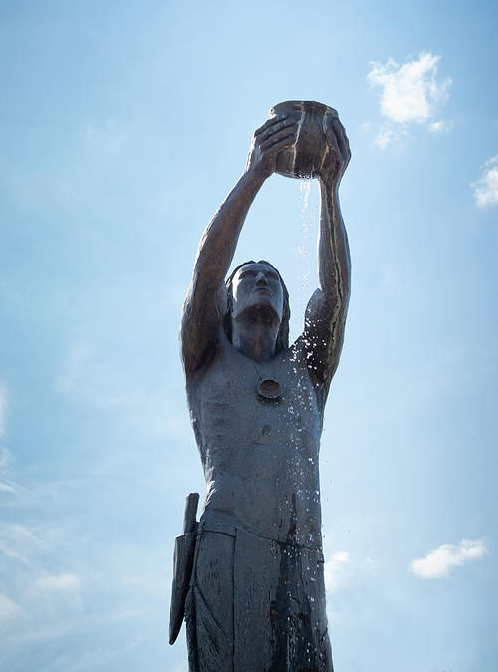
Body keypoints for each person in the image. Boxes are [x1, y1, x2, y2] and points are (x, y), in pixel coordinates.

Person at [180, 109, 351, 672]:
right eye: (247, 275)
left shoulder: (309, 372)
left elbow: (337, 291)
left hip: (303, 559)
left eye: (273, 277)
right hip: (230, 546)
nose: (260, 278)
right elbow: (208, 271)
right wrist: (255, 174)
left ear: (285, 307)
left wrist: (329, 188)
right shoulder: (207, 357)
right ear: (227, 305)